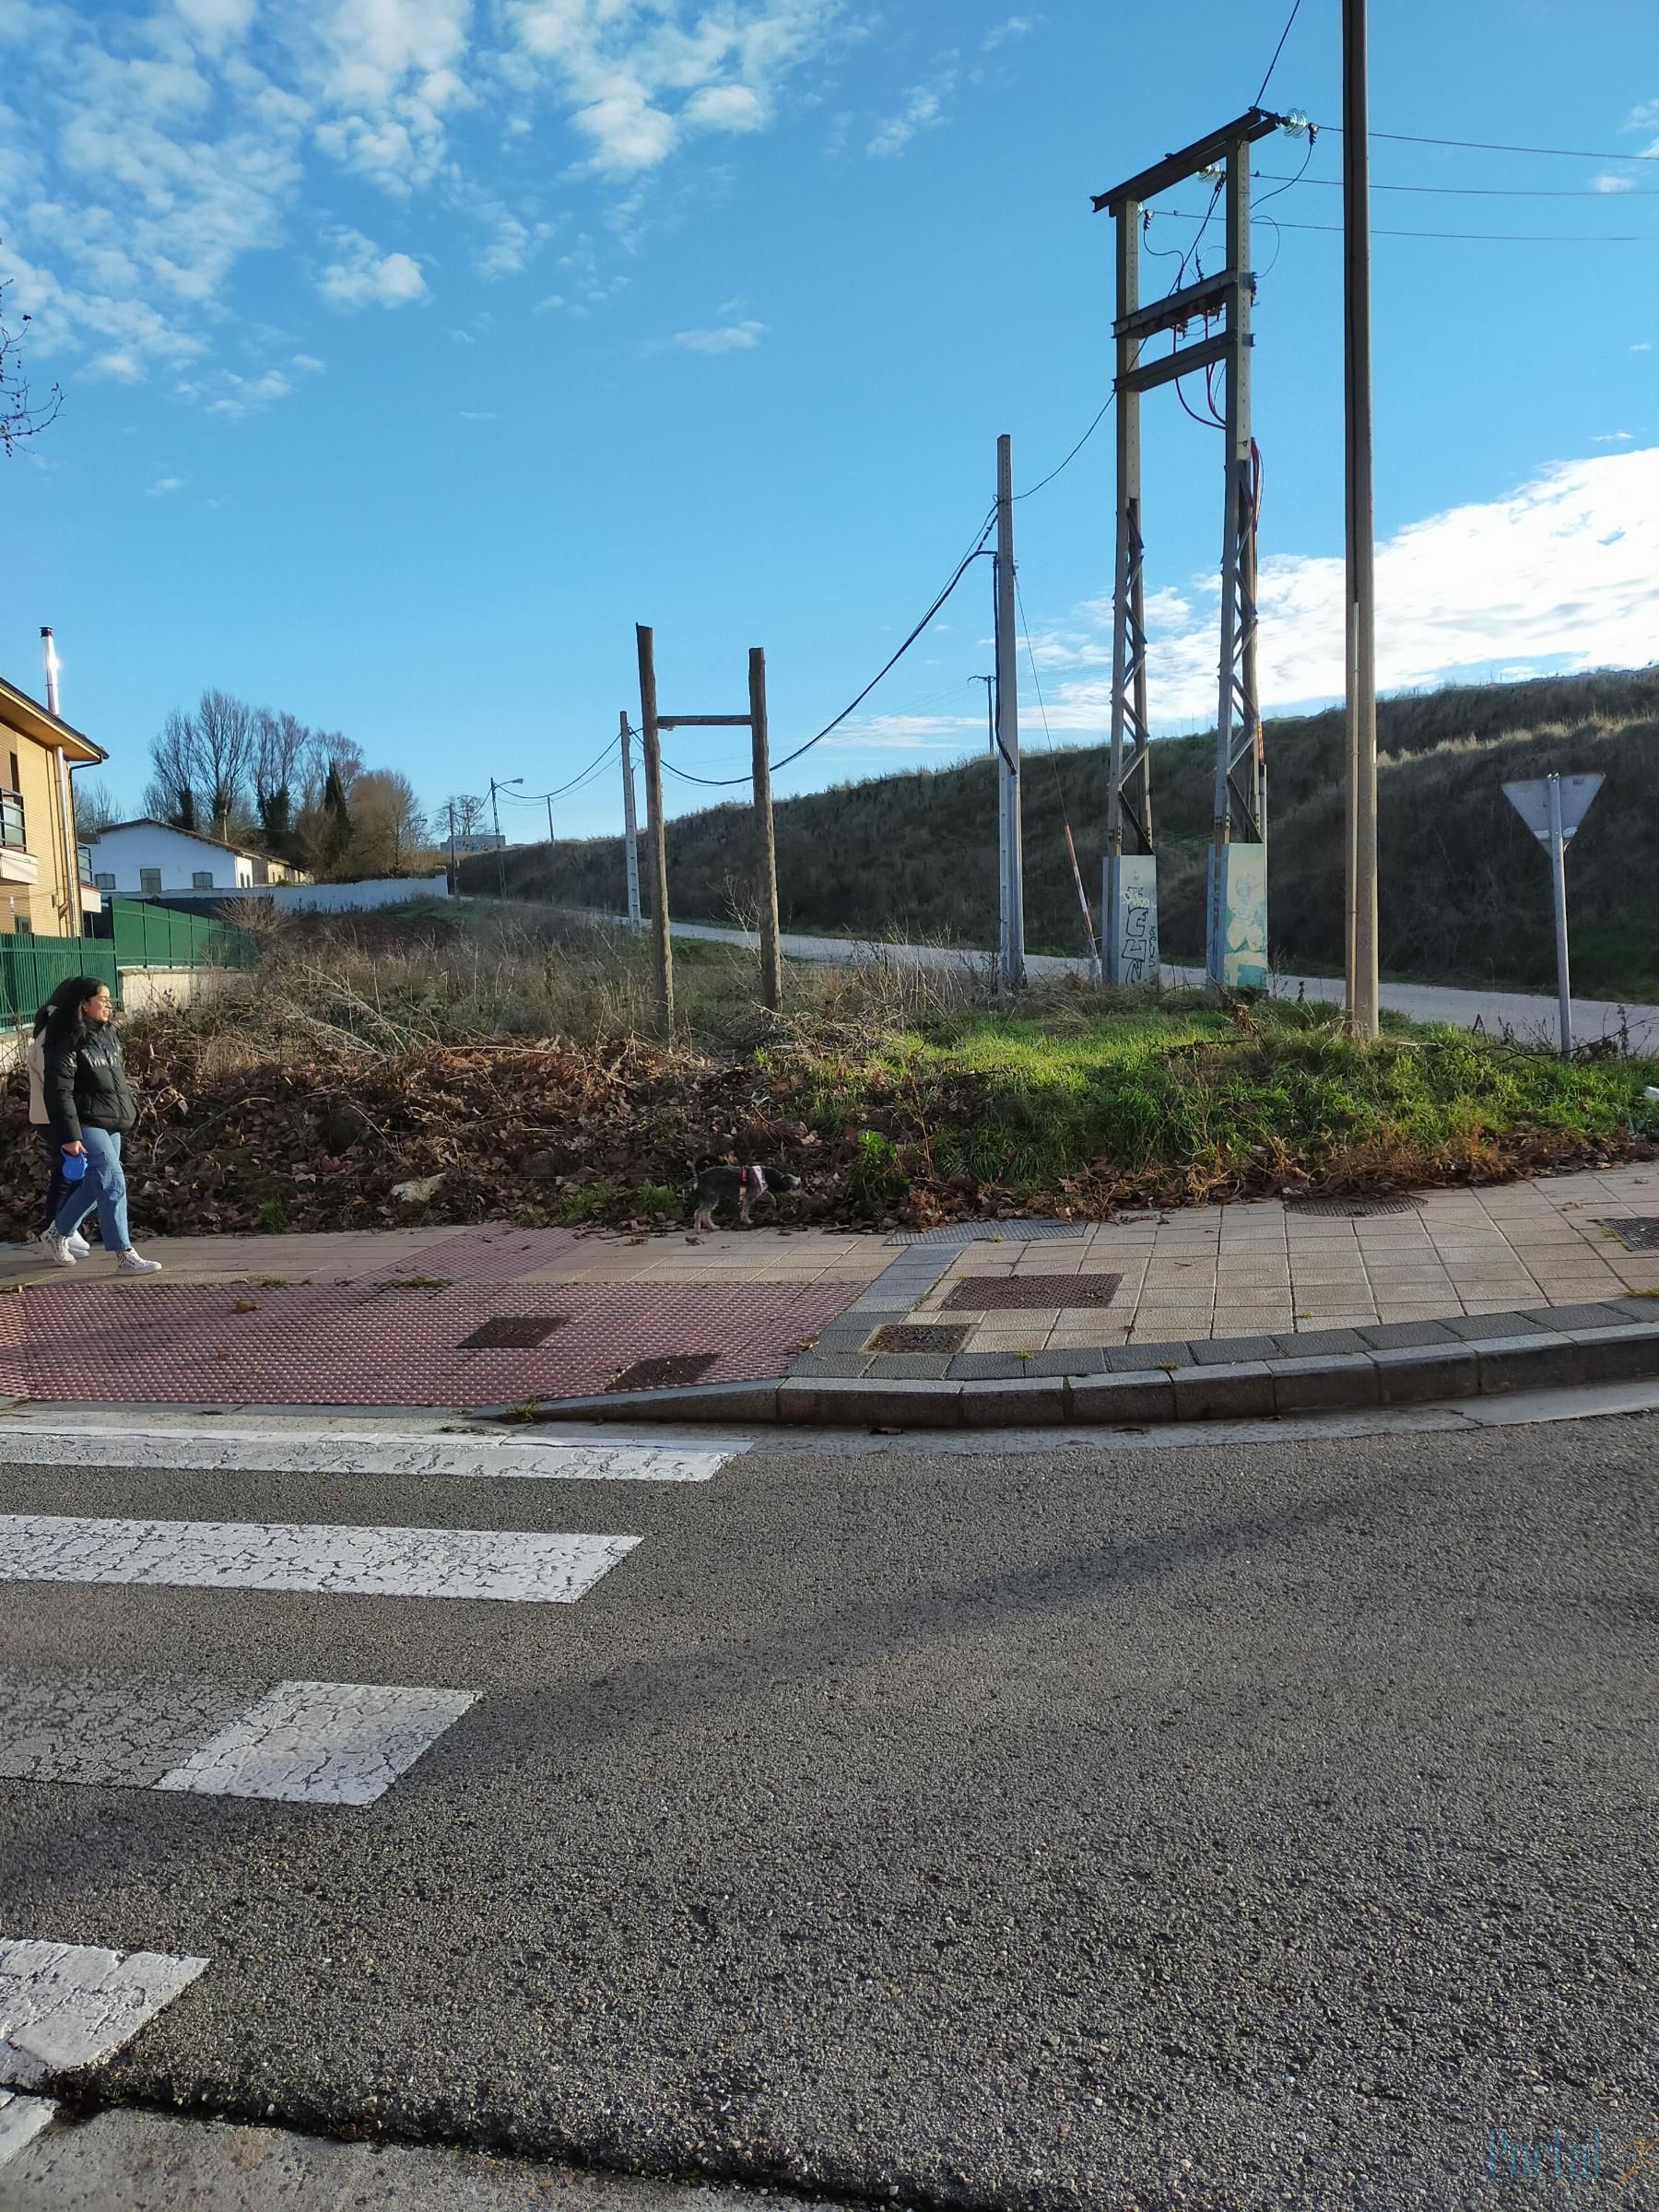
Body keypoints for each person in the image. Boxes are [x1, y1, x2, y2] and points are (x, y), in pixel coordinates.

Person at [38, 976, 161, 1274]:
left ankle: (57, 1234)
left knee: (96, 1185)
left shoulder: (107, 1033)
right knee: (113, 1180)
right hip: (84, 1122)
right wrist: (69, 1136)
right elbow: (58, 1091)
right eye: (102, 1000)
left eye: (109, 1000)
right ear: (83, 1005)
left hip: (110, 1120)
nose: (109, 1005)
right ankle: (124, 1254)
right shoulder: (64, 1038)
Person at [27, 990, 92, 1256]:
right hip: (53, 1116)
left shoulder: (51, 1029)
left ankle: (62, 1228)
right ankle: (58, 1228)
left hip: (54, 1115)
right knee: (69, 1173)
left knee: (69, 1173)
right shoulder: (53, 1034)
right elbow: (54, 1083)